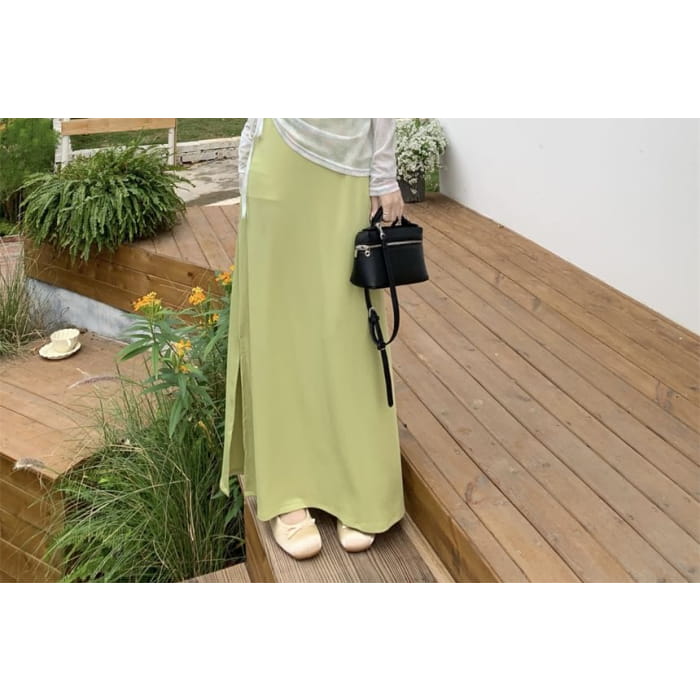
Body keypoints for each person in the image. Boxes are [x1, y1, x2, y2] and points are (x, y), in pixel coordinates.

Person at [219, 118, 405, 560]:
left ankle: (358, 483)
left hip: (349, 162)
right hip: (280, 155)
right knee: (280, 325)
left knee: (348, 325)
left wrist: (384, 175)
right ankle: (287, 489)